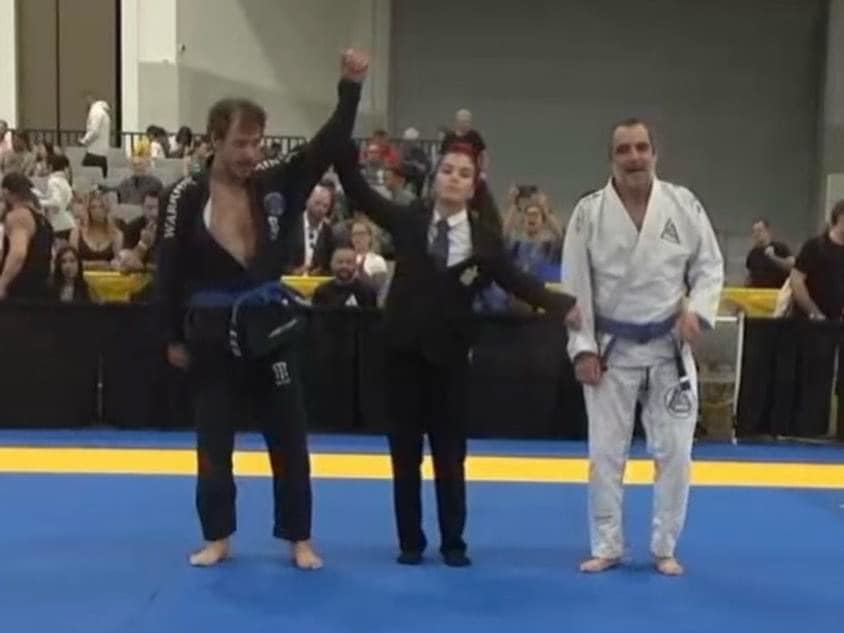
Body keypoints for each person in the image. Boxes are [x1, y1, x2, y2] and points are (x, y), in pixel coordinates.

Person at [156, 49, 368, 570]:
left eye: (256, 142)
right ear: (213, 142)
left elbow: (329, 144)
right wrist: (172, 337)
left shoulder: (276, 180)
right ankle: (218, 537)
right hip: (209, 329)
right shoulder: (185, 196)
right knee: (213, 440)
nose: (251, 153)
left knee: (290, 435)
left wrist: (350, 87)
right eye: (240, 143)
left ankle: (299, 537)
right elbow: (167, 273)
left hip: (269, 325)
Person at [335, 140, 579, 567]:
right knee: (404, 455)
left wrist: (565, 306)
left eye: (464, 174)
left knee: (450, 456)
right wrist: (348, 103)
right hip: (401, 355)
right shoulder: (408, 219)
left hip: (450, 360)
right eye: (448, 170)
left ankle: (453, 542)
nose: (454, 178)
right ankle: (410, 541)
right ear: (436, 177)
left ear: (473, 186)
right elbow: (356, 188)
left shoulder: (485, 240)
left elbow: (518, 283)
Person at [562, 118, 724, 576]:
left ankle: (665, 546)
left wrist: (699, 310)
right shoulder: (589, 213)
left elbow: (710, 266)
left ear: (656, 153)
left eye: (641, 148)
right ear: (611, 159)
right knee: (605, 454)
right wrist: (583, 347)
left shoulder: (683, 204)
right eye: (624, 150)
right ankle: (608, 544)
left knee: (675, 454)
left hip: (669, 349)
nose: (634, 157)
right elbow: (576, 288)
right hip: (611, 349)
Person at [0, 173, 53, 301]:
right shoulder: (41, 218)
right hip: (40, 285)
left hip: (20, 286)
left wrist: (2, 283)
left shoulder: (19, 216)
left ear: (6, 192)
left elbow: (18, 254)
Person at [745, 218, 793, 288]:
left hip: (778, 294)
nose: (756, 234)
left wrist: (773, 257)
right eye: (754, 231)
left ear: (768, 231)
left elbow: (792, 266)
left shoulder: (780, 247)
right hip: (758, 295)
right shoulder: (752, 253)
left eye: (759, 230)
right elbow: (750, 275)